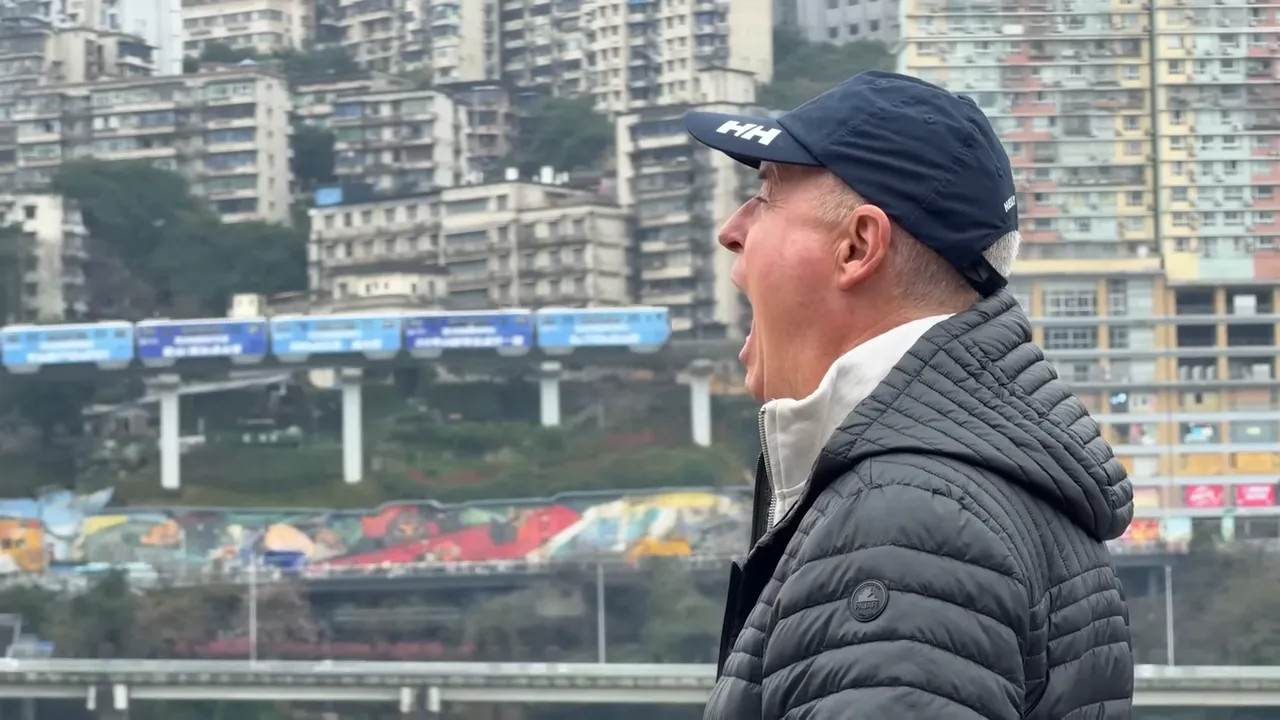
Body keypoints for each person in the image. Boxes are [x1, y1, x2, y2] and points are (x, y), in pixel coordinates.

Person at [683, 70, 1135, 719]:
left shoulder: (904, 519)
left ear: (858, 246)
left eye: (765, 193)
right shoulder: (980, 479)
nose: (732, 228)